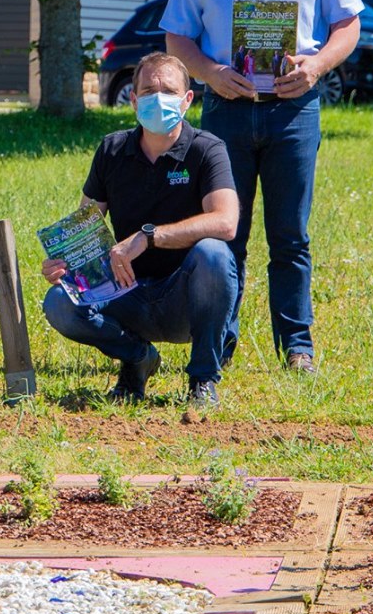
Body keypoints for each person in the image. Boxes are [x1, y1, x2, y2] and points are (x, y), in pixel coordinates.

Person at [162, 0, 363, 376]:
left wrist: (316, 66)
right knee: (227, 234)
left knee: (290, 236)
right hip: (226, 112)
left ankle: (297, 348)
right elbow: (177, 37)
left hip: (294, 111)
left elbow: (348, 26)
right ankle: (219, 343)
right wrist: (208, 72)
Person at [39, 53, 241, 416]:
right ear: (132, 100)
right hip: (124, 293)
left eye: (168, 90)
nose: (158, 97)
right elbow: (87, 225)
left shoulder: (207, 149)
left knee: (214, 253)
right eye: (148, 90)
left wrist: (147, 236)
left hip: (186, 297)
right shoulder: (112, 149)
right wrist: (65, 263)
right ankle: (137, 358)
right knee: (58, 302)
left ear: (187, 99)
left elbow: (226, 222)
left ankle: (203, 379)